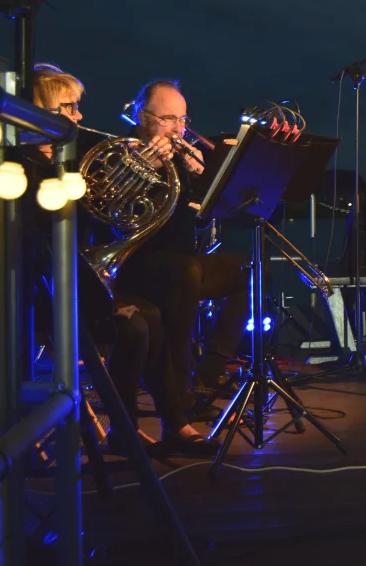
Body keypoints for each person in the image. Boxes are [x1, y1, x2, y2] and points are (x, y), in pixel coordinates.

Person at [23, 63, 215, 455]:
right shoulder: (21, 166)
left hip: (85, 279)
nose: (79, 116)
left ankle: (170, 424)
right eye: (69, 107)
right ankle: (127, 427)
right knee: (139, 324)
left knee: (153, 318)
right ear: (38, 110)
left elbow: (110, 220)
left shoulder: (74, 157)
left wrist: (185, 177)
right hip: (42, 292)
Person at [112, 79, 250, 409]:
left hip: (180, 260)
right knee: (185, 272)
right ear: (143, 117)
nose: (179, 128)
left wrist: (206, 181)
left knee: (251, 269)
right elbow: (117, 214)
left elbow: (203, 220)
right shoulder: (122, 153)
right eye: (168, 119)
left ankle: (208, 374)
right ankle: (179, 386)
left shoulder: (182, 158)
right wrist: (151, 167)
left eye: (183, 120)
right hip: (139, 265)